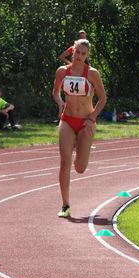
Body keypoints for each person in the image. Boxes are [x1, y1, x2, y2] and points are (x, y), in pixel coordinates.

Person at [52, 39, 106, 219]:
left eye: (83, 54)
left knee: (80, 168)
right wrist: (60, 102)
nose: (79, 56)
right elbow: (55, 92)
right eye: (77, 52)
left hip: (85, 123)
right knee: (64, 162)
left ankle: (78, 147)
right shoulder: (62, 71)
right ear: (72, 51)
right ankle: (65, 204)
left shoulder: (92, 73)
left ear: (87, 55)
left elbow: (103, 98)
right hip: (67, 120)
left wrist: (92, 118)